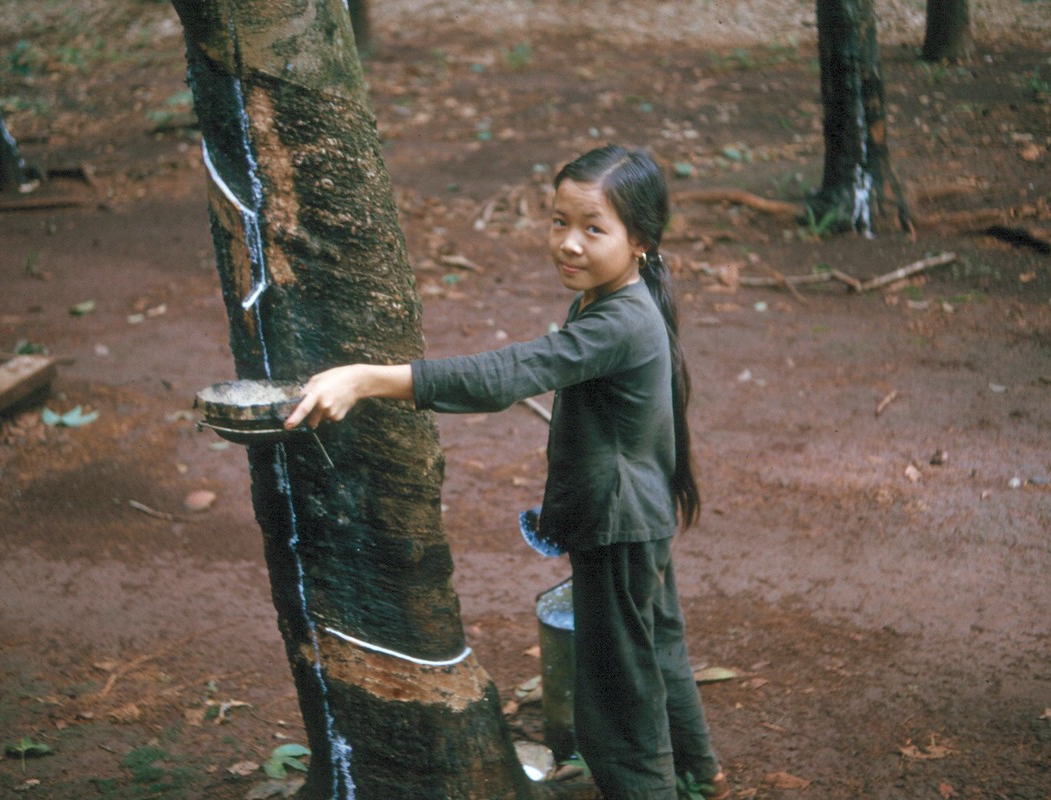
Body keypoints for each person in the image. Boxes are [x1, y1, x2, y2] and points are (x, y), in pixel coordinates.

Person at [284, 144, 728, 800]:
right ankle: (703, 775)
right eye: (558, 221)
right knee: (656, 649)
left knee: (614, 703)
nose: (568, 243)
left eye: (592, 227)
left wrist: (370, 380)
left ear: (640, 240)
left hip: (619, 524)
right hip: (637, 517)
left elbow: (513, 372)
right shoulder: (620, 299)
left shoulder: (621, 319)